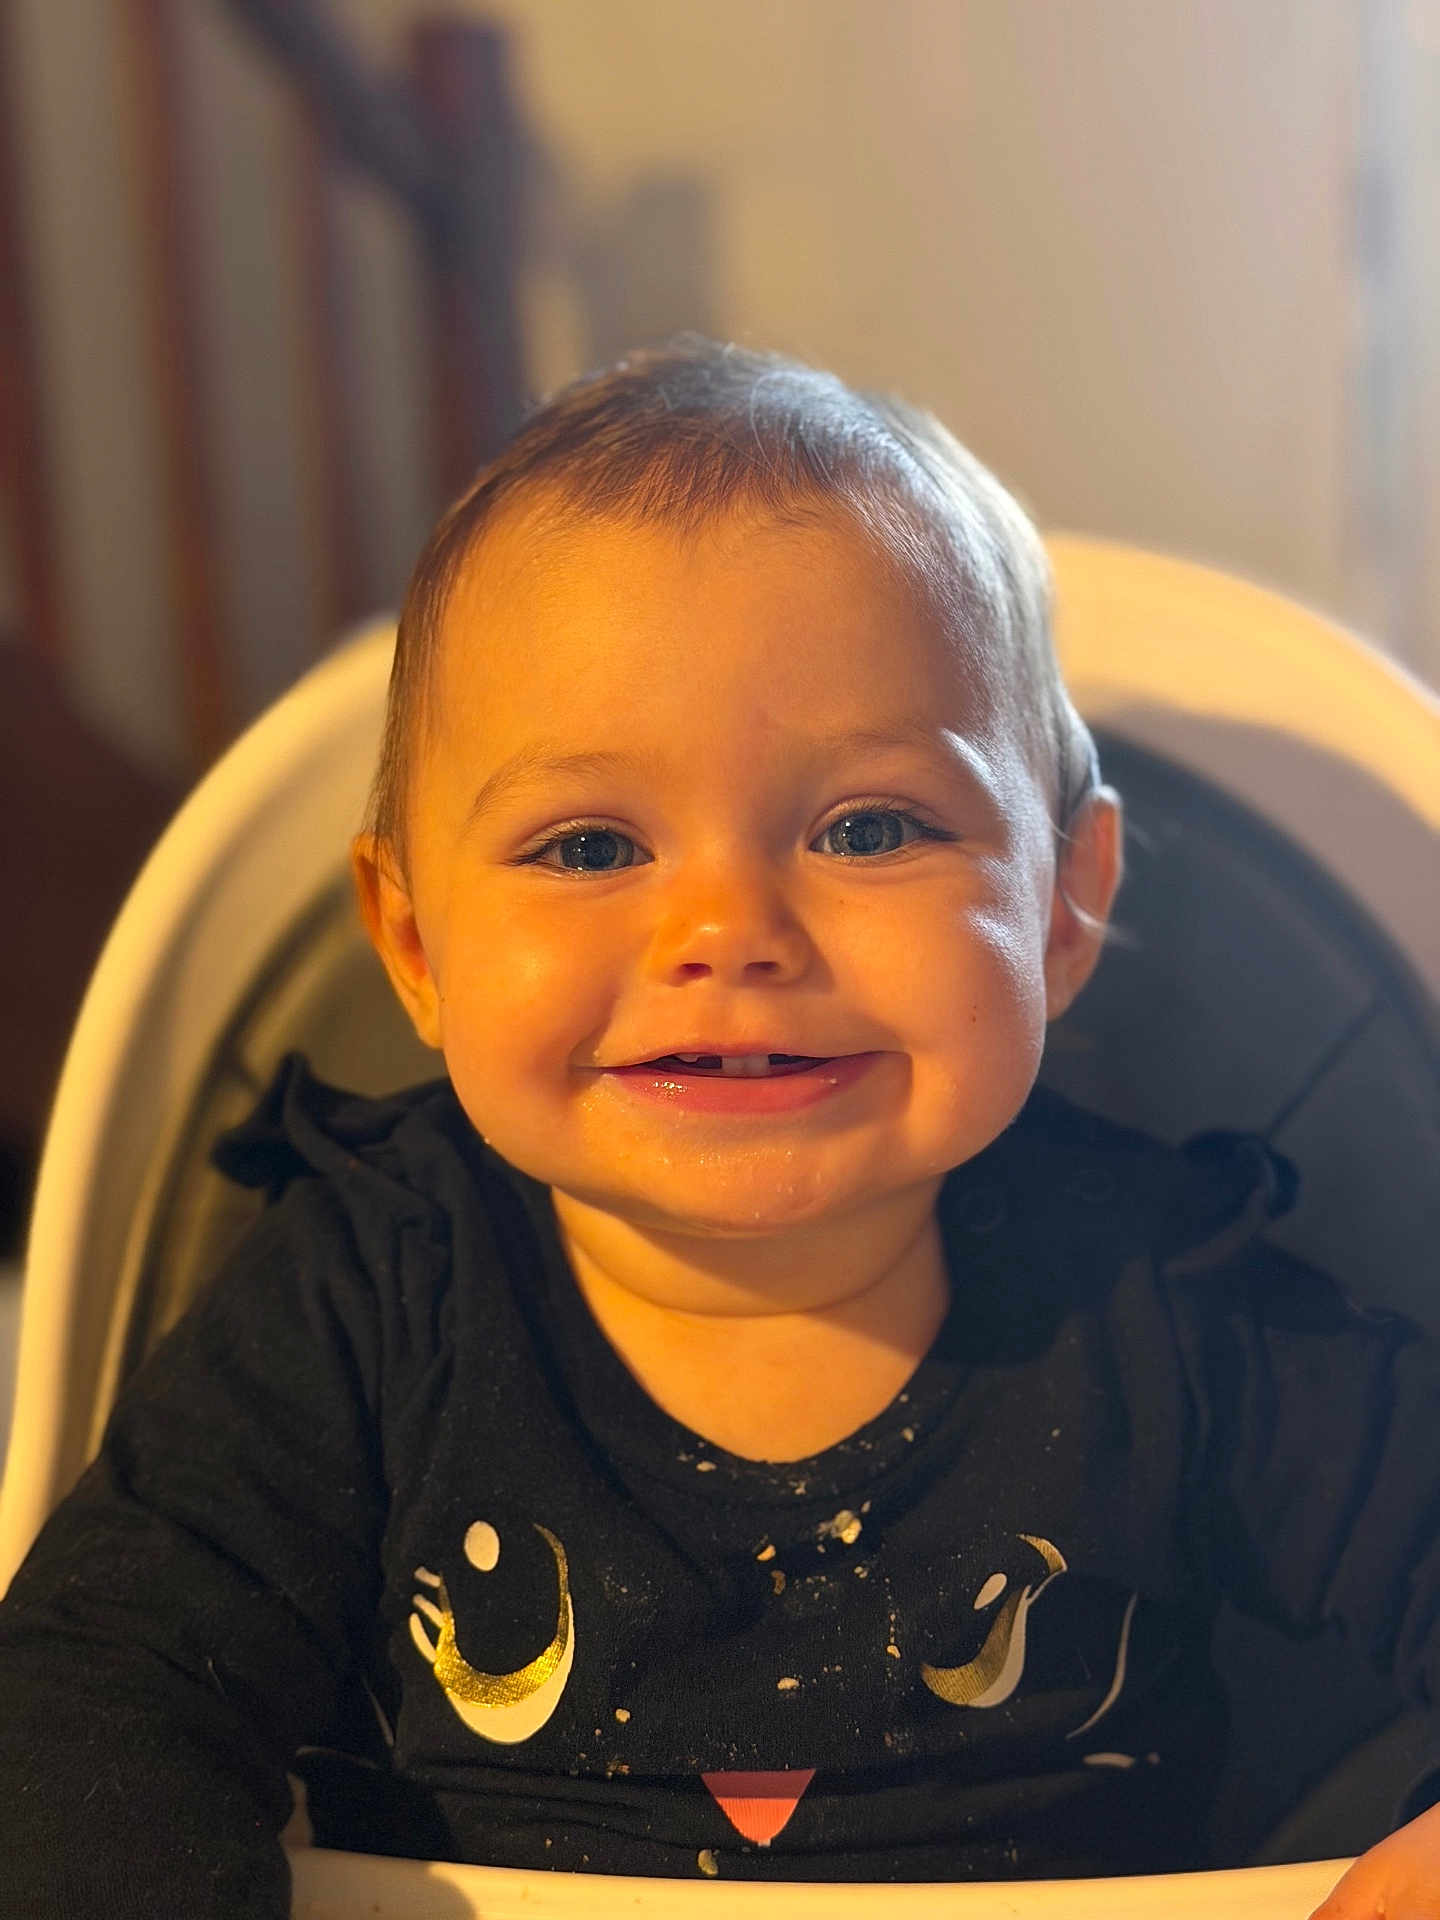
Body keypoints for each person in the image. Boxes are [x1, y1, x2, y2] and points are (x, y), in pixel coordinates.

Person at [0, 339, 1435, 1918]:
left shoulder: (1164, 1298)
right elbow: (89, 1705)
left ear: (1062, 905)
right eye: (590, 845)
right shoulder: (365, 1299)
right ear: (414, 946)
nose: (728, 931)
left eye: (870, 827)